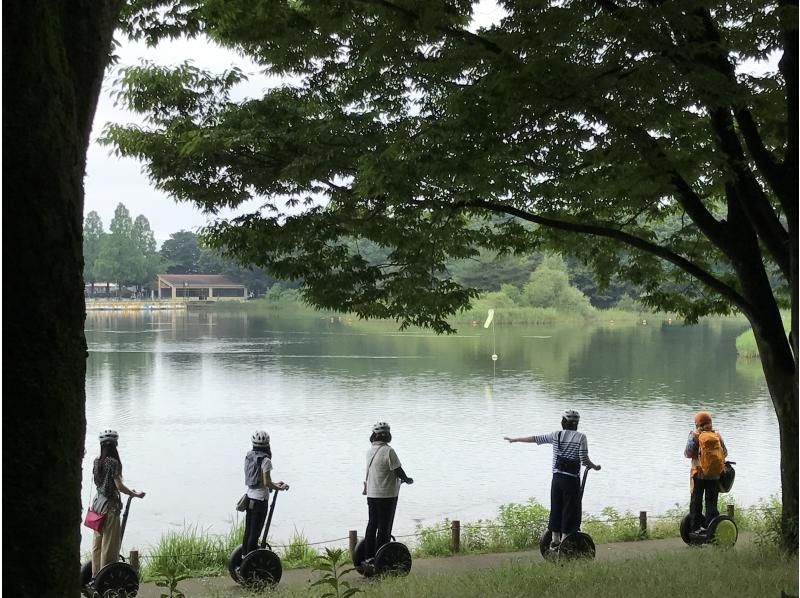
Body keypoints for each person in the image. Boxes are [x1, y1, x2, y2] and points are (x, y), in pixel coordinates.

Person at [504, 409, 600, 550]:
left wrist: (516, 439)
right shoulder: (581, 437)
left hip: (557, 479)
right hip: (571, 480)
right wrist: (594, 466)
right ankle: (566, 540)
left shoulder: (557, 435)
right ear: (576, 424)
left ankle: (554, 540)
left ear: (563, 422)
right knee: (570, 509)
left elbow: (536, 438)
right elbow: (584, 459)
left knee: (556, 507)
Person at [90, 429, 146, 577]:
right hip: (109, 507)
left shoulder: (96, 461)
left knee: (97, 543)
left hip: (97, 504)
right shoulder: (113, 463)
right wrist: (134, 494)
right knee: (109, 545)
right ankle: (106, 578)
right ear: (115, 445)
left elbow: (98, 483)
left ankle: (95, 576)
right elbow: (119, 486)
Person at [362, 421, 413, 566]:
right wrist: (407, 480)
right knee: (384, 527)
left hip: (372, 494)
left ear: (373, 436)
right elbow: (398, 470)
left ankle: (368, 556)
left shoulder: (369, 451)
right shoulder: (389, 451)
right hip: (387, 495)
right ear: (388, 436)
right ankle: (380, 559)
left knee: (372, 524)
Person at [241, 430, 289, 555]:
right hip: (260, 501)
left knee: (248, 531)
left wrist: (275, 484)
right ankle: (250, 561)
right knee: (256, 533)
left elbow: (260, 480)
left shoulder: (249, 456)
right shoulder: (266, 460)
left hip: (249, 498)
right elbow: (267, 483)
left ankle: (244, 556)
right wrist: (281, 488)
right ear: (268, 444)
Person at [684, 411, 727, 533]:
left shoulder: (695, 435)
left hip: (698, 475)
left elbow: (688, 453)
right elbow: (725, 453)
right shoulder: (717, 435)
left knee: (696, 502)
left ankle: (694, 530)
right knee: (711, 503)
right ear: (710, 422)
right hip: (714, 476)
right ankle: (711, 531)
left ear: (697, 423)